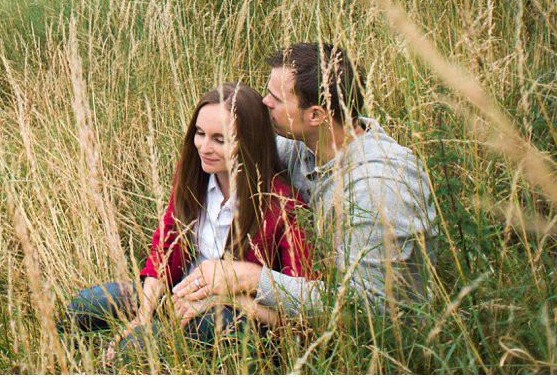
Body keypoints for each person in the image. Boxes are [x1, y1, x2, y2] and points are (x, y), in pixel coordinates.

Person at [171, 43, 437, 320]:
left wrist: (249, 278)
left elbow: (368, 309)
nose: (265, 102)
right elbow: (225, 156)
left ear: (316, 115)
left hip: (375, 346)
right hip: (292, 308)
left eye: (276, 98)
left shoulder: (378, 188)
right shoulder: (298, 147)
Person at [62, 83, 314, 365]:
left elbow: (297, 318)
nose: (204, 148)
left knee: (130, 353)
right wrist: (142, 317)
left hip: (240, 316)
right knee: (83, 306)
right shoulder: (194, 173)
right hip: (180, 291)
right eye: (200, 133)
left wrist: (220, 301)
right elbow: (165, 245)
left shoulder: (283, 207)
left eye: (220, 140)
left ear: (249, 141)